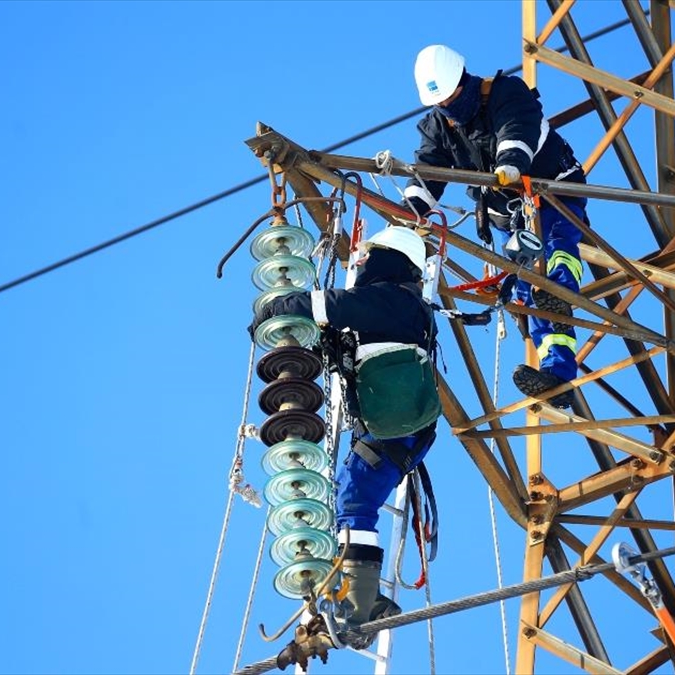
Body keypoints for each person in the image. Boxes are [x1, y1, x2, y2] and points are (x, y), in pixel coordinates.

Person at [251, 225, 440, 646]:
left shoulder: (394, 300)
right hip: (393, 427)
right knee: (351, 499)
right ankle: (360, 597)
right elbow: (339, 319)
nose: (361, 264)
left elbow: (331, 305)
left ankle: (359, 604)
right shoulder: (391, 307)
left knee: (354, 499)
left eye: (368, 257)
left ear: (389, 260)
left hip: (395, 428)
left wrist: (284, 307)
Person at [403, 44, 587, 409]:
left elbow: (517, 128)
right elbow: (428, 170)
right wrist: (412, 210)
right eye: (439, 102)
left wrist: (511, 162)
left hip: (550, 192)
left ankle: (561, 293)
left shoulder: (505, 92)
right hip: (507, 214)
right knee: (525, 294)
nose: (448, 106)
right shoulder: (439, 125)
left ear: (463, 80)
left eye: (452, 97)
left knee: (557, 251)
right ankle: (558, 377)